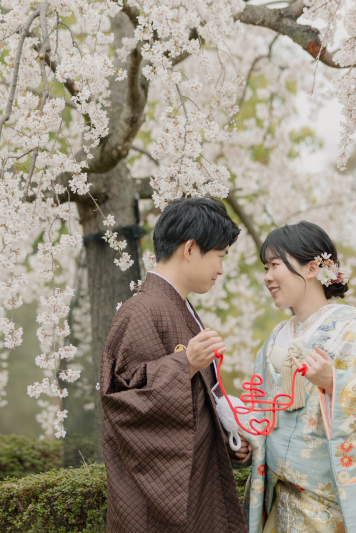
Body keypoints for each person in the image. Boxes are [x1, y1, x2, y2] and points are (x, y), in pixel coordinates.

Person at [221, 221, 356, 533]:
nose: (267, 277)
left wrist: (334, 382)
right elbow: (260, 411)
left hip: (335, 505)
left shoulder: (351, 331)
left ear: (313, 268)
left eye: (275, 266)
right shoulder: (273, 341)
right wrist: (246, 443)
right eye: (265, 267)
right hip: (281, 502)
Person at [100, 197, 250, 533]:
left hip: (194, 486)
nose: (221, 270)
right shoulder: (141, 311)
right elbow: (122, 400)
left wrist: (227, 441)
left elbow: (192, 405)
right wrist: (184, 364)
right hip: (154, 506)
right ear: (191, 249)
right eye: (220, 256)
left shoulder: (178, 310)